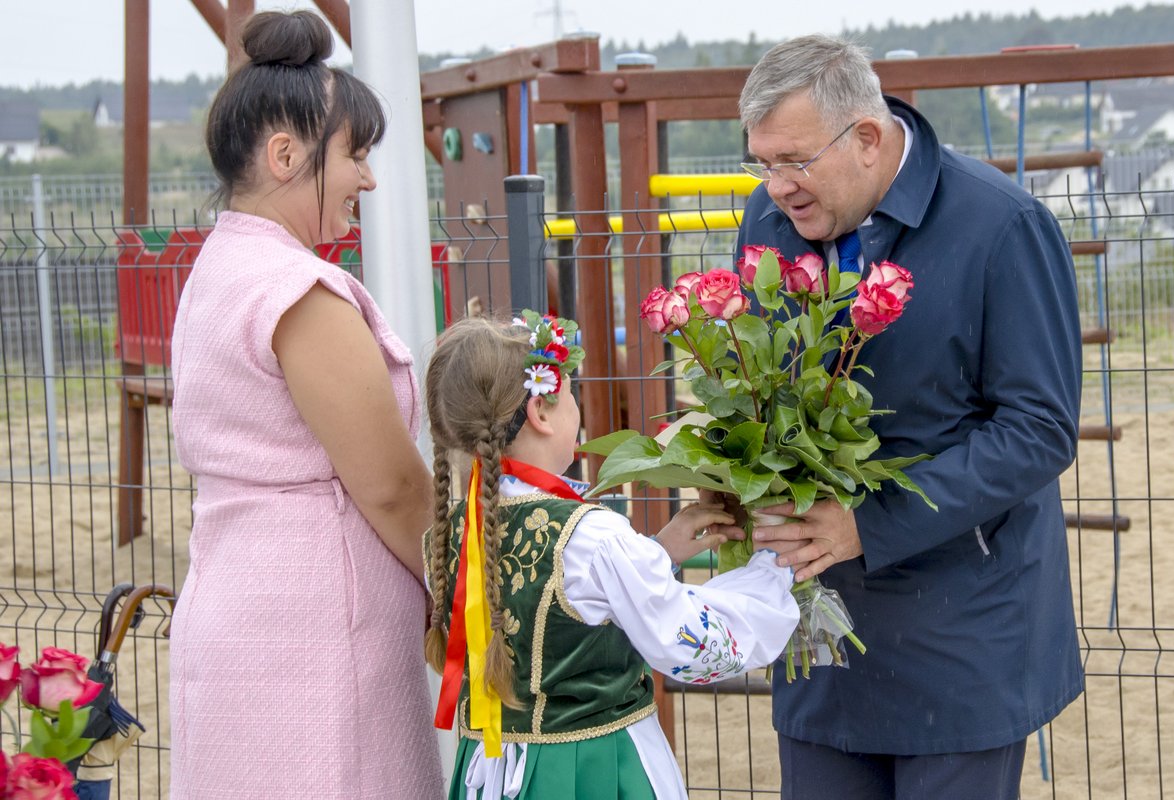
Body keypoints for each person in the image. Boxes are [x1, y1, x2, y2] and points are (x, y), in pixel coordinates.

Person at [729, 35, 1085, 799]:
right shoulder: (767, 222)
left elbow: (1038, 429)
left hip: (963, 633)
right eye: (763, 163)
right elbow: (761, 385)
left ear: (865, 137)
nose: (777, 185)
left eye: (794, 160)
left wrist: (870, 524)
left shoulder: (1003, 227)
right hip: (823, 634)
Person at [168, 11, 441, 798]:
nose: (369, 177)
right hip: (318, 635)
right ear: (286, 156)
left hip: (236, 605)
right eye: (355, 154)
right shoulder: (300, 295)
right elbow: (389, 484)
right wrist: (461, 591)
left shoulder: (219, 270)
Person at [421, 314, 801, 800]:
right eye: (572, 394)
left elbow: (558, 602)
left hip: (493, 773)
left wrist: (656, 554)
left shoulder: (445, 537)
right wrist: (772, 569)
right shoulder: (592, 536)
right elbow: (688, 642)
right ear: (540, 410)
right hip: (594, 770)